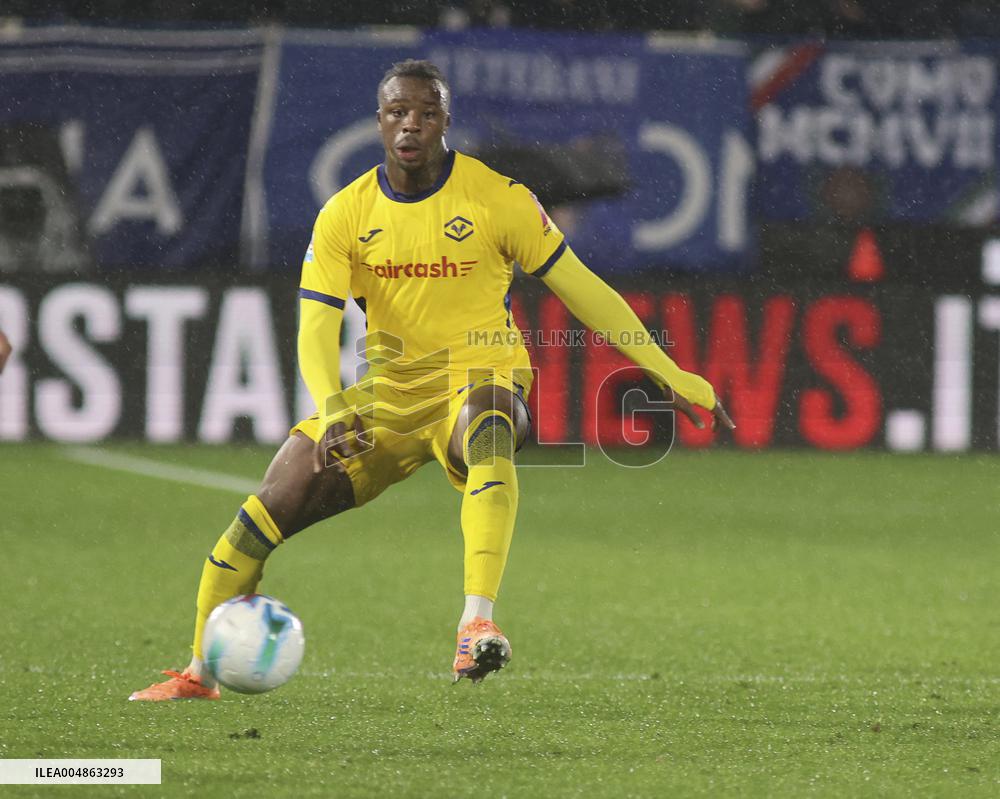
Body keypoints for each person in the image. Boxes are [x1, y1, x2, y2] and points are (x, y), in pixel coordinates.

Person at [130, 59, 733, 701]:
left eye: (424, 112)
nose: (410, 125)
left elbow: (584, 288)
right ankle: (199, 672)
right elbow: (314, 326)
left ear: (446, 120)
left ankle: (476, 621)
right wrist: (334, 408)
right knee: (260, 516)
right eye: (397, 112)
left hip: (483, 374)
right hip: (387, 395)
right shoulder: (345, 214)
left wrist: (667, 370)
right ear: (380, 122)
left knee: (489, 429)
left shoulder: (498, 199)